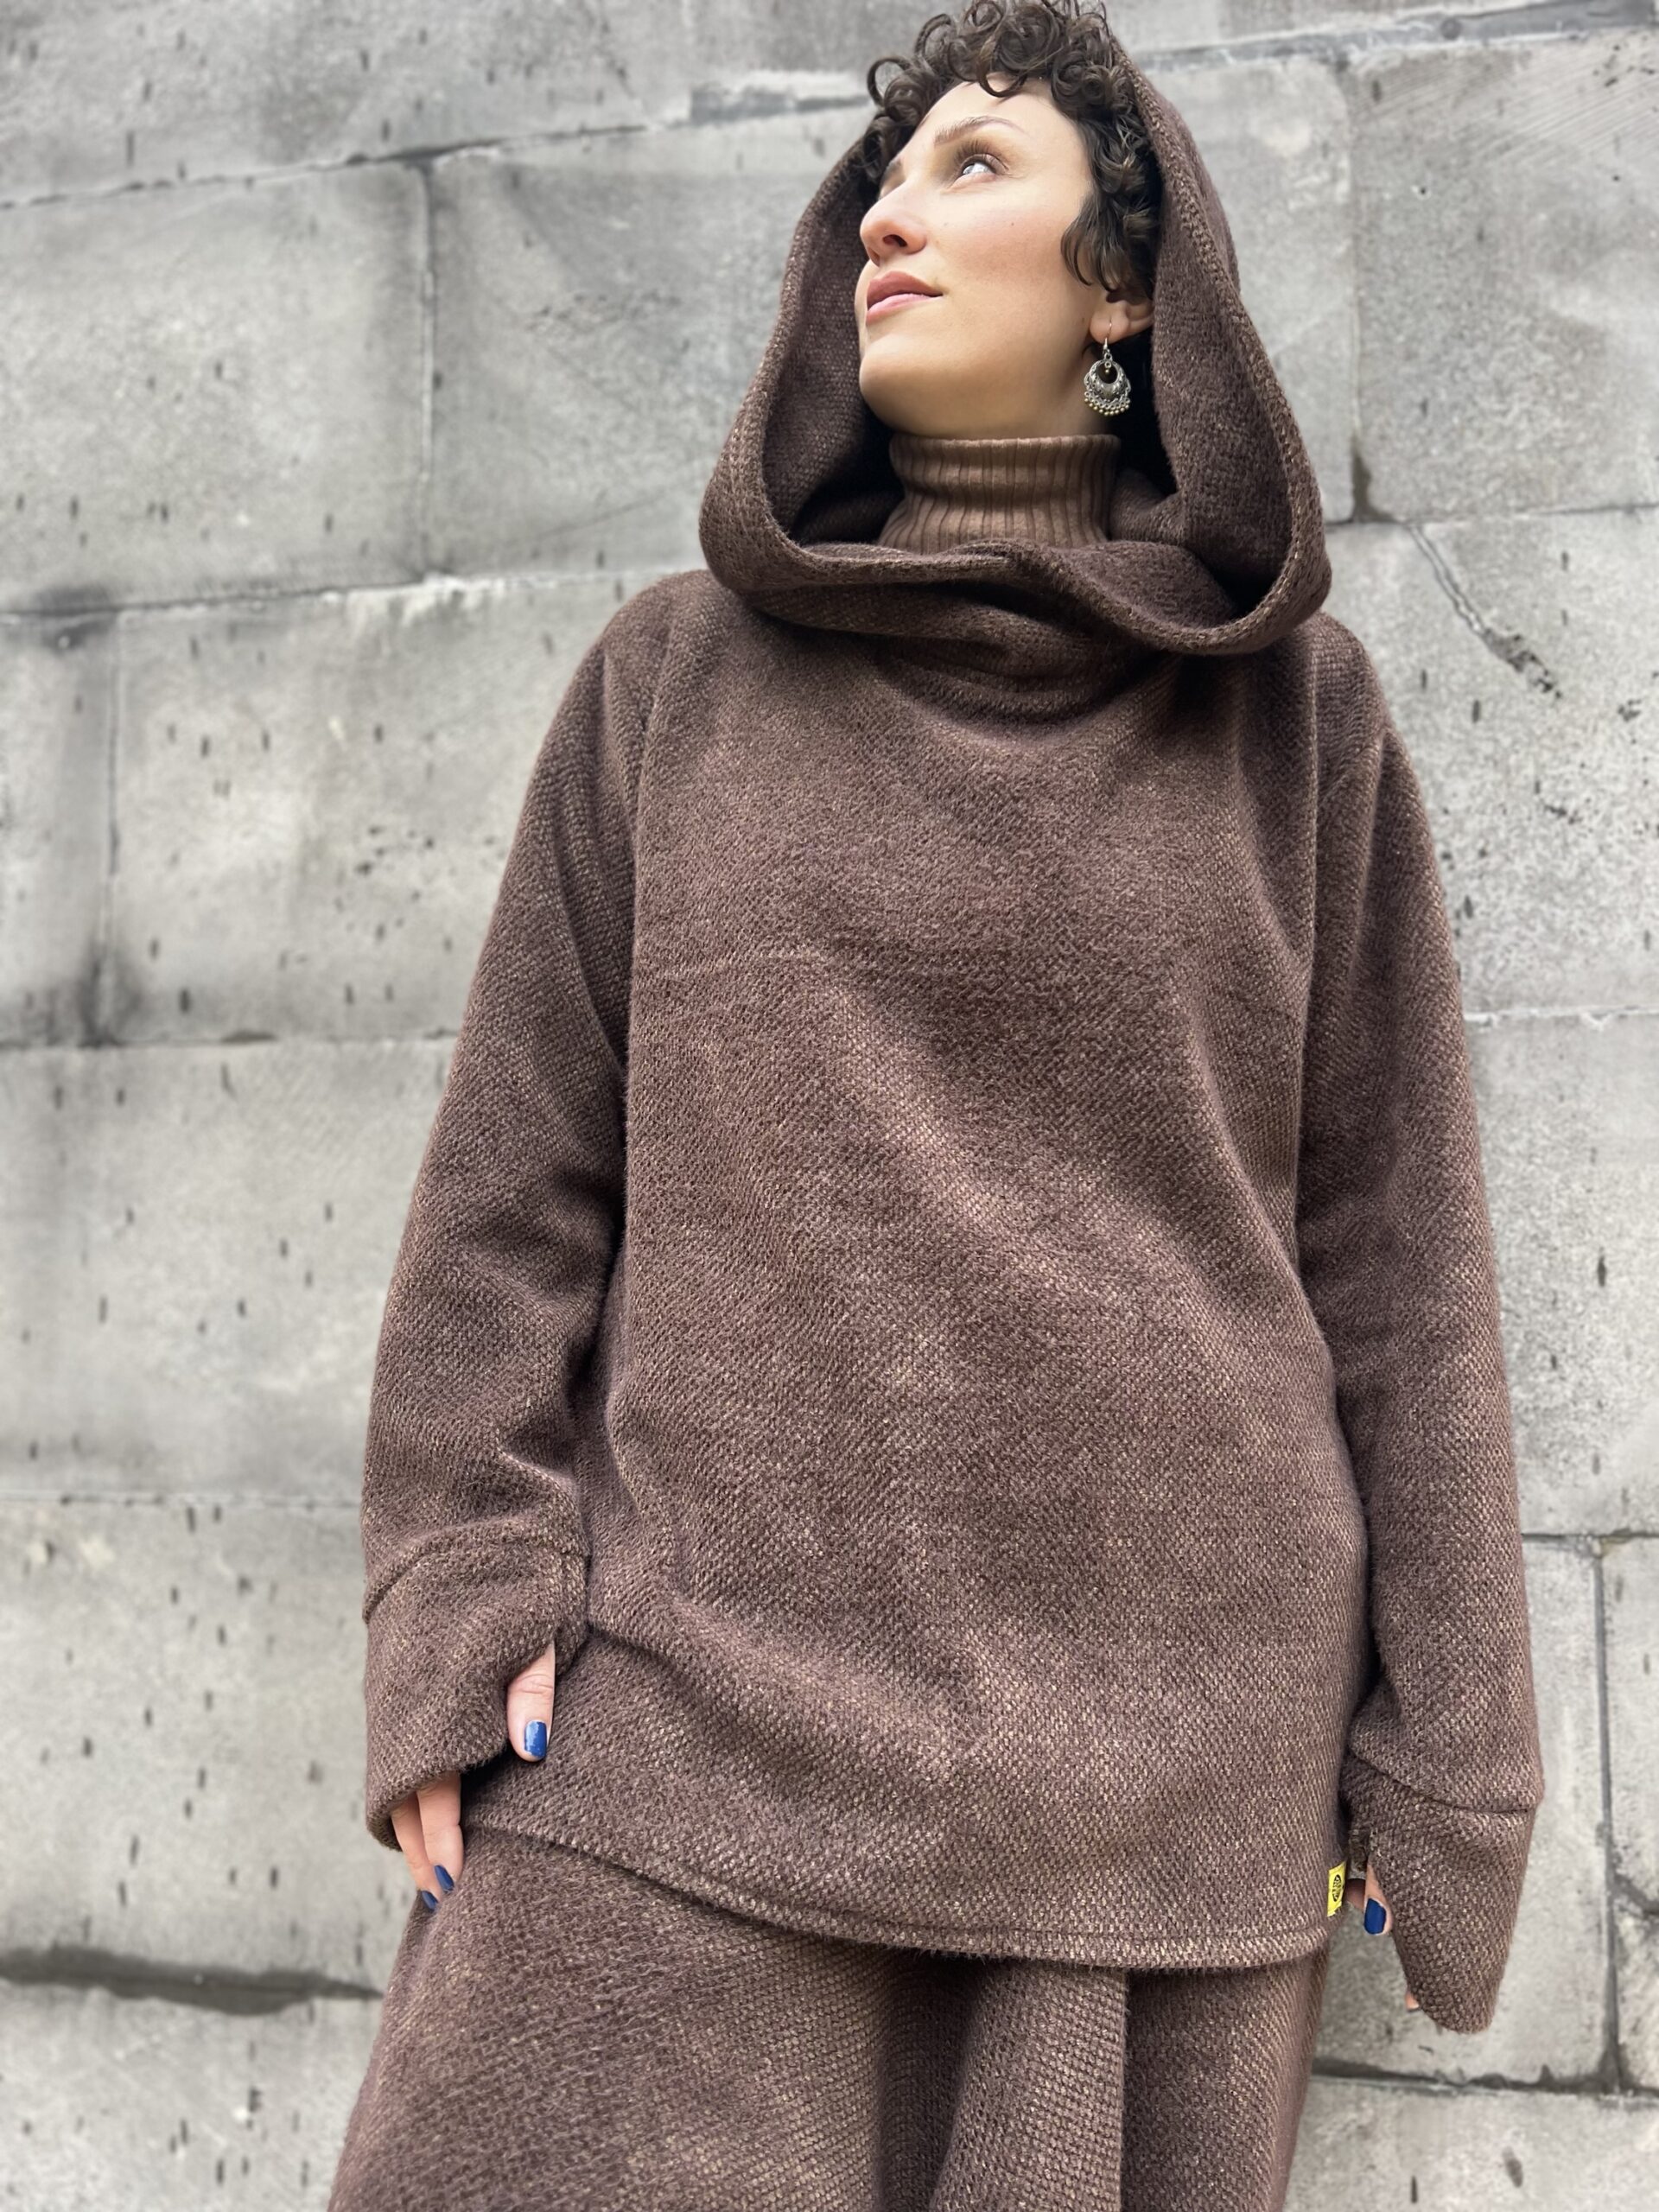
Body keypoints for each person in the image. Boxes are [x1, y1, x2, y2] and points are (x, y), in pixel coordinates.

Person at [327, 5, 1544, 2206]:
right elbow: (511, 1198)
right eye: (883, 182)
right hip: (691, 1726)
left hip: (1146, 1799)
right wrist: (460, 1592)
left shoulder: (1300, 728)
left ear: (1124, 288)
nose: (888, 214)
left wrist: (1448, 1753)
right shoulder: (670, 683)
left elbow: (1401, 1263)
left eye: (975, 166)